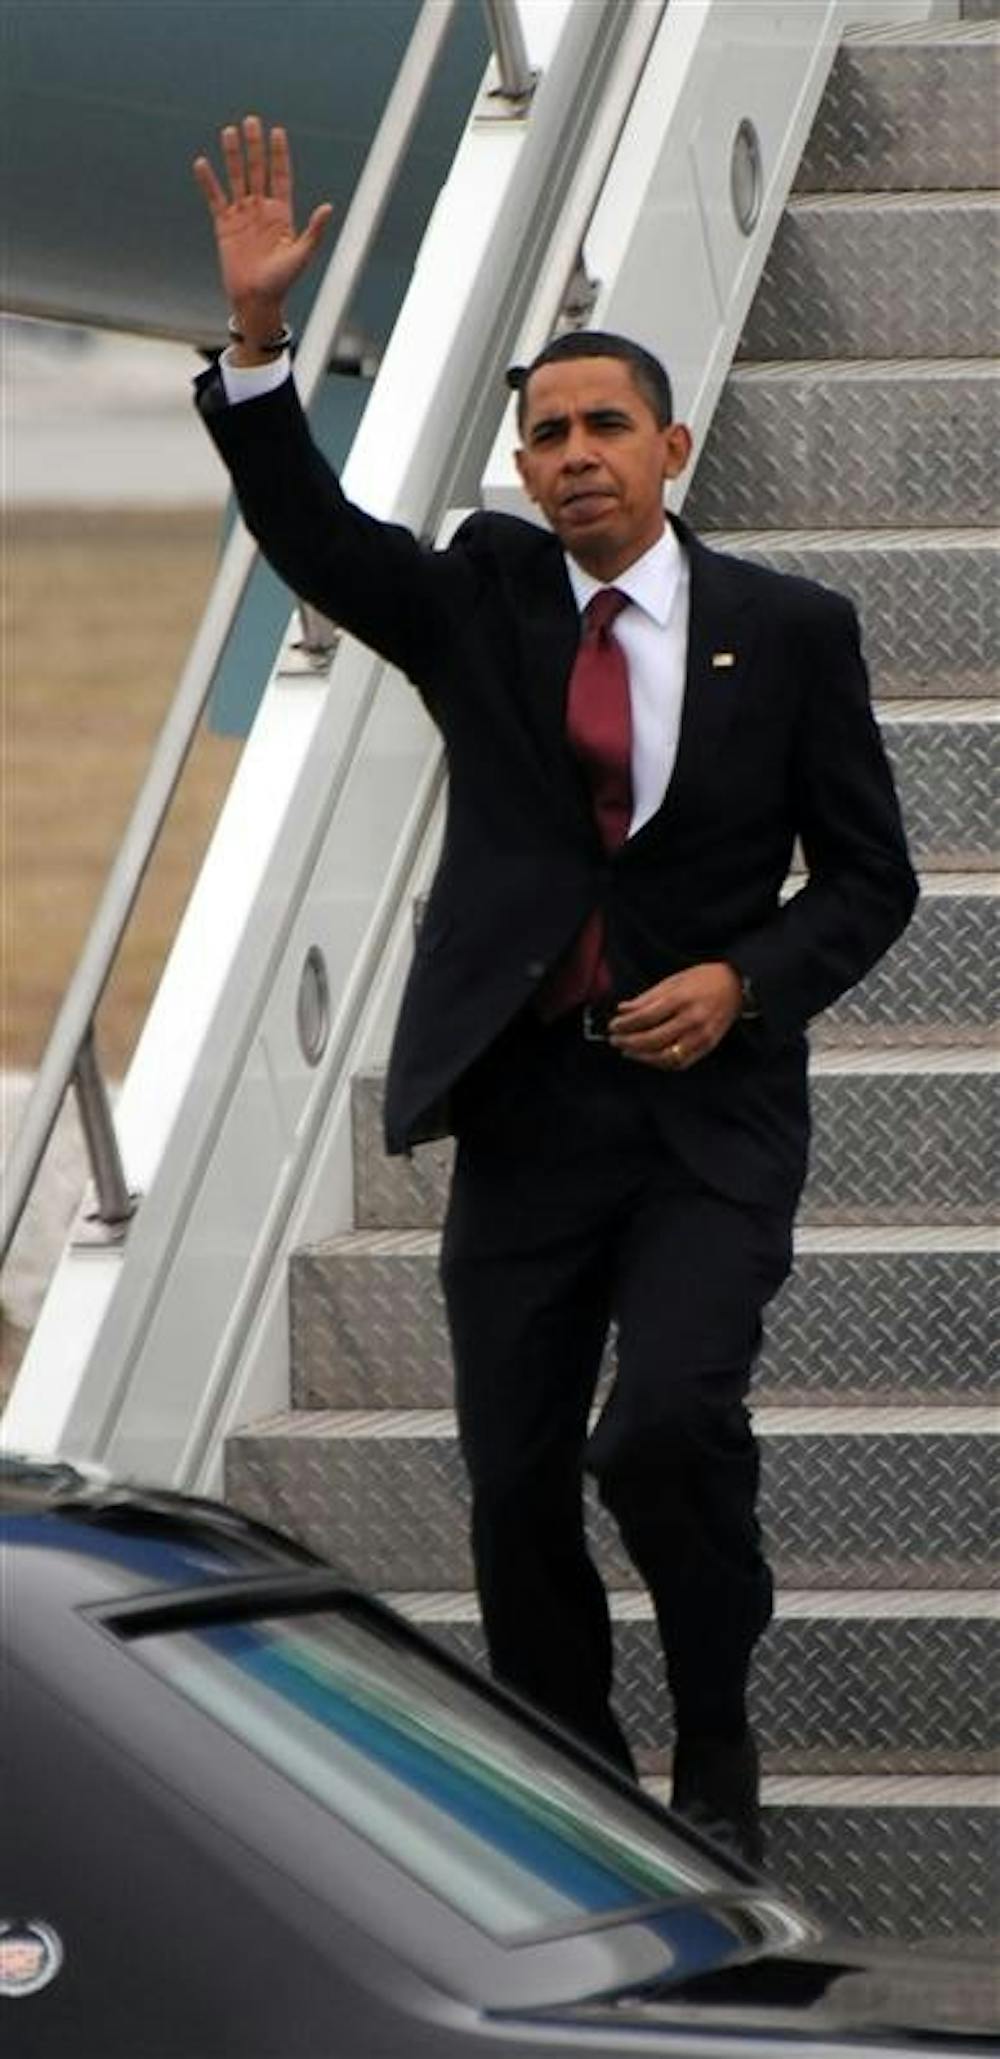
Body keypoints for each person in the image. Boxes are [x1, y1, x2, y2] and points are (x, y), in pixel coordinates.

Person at [193, 118, 918, 1865]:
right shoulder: (485, 604)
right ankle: (583, 1782)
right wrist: (260, 351)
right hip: (528, 1111)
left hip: (706, 1117)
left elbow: (874, 881)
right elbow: (316, 536)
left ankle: (720, 1739)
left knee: (663, 1428)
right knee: (517, 1486)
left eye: (605, 428)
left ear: (673, 445)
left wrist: (746, 984)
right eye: (545, 436)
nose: (573, 457)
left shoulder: (791, 627)